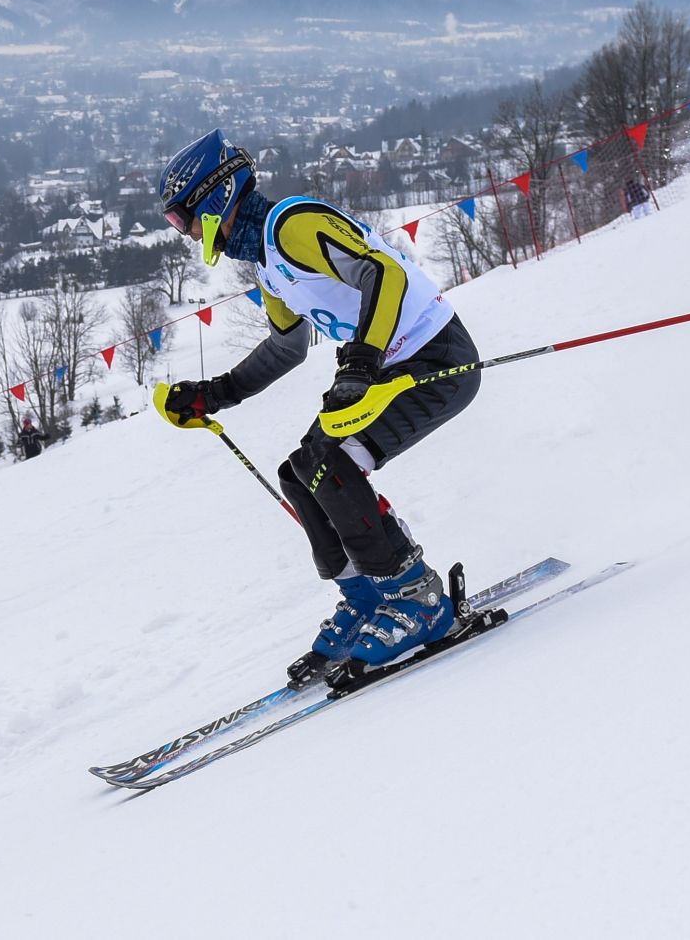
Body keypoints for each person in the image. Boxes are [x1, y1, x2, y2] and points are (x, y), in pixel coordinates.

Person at [154, 129, 484, 676]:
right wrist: (215, 394)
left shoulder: (292, 224)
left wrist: (360, 361)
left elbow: (385, 273)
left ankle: (419, 599)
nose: (184, 234)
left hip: (436, 360)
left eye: (180, 218)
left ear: (213, 199)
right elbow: (287, 347)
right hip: (386, 369)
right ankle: (369, 599)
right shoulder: (265, 263)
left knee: (332, 469)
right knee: (298, 473)